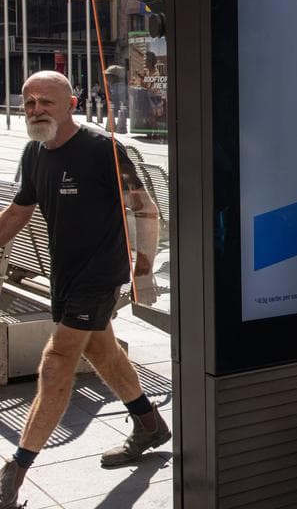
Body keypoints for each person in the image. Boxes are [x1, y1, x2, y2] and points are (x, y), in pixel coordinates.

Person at [0, 71, 168, 508]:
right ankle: (150, 424)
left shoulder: (102, 149)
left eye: (46, 102)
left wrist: (143, 272)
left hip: (100, 274)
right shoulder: (35, 153)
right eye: (29, 101)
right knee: (102, 351)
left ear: (72, 103)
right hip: (65, 275)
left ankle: (14, 473)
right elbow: (19, 211)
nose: (35, 110)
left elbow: (144, 208)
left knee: (56, 363)